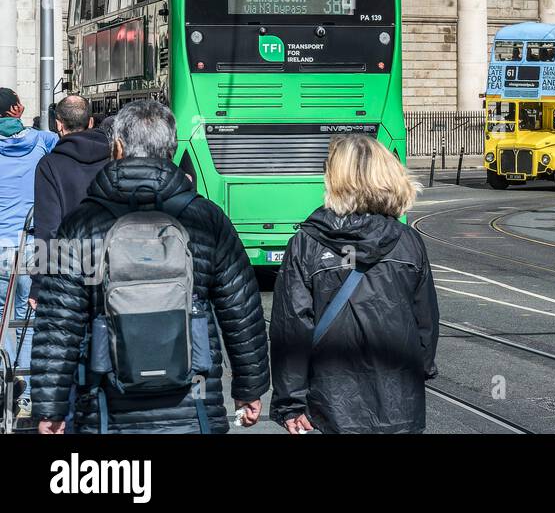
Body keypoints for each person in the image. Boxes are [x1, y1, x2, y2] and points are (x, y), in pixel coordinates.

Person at [32, 99, 269, 434]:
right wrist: (249, 387)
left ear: (117, 147)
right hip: (193, 403)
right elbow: (241, 309)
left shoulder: (82, 223)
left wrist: (50, 406)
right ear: (171, 149)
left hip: (108, 408)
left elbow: (59, 322)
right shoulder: (205, 218)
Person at [271, 133, 438, 434]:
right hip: (400, 402)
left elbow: (292, 327)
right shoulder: (409, 242)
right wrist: (418, 373)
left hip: (329, 406)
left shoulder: (306, 243)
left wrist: (290, 403)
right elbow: (424, 323)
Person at [0, 87, 57, 418]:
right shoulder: (44, 142)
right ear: (17, 109)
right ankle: (28, 394)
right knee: (28, 320)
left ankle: (6, 385)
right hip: (33, 246)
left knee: (2, 321)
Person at [32, 97, 112, 301]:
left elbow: (48, 228)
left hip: (70, 271)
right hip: (112, 265)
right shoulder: (114, 157)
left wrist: (40, 282)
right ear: (91, 122)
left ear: (58, 125)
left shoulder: (49, 165)